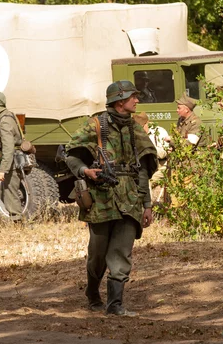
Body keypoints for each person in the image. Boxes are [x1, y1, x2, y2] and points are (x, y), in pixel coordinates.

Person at [65, 80, 158, 316]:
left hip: (130, 199)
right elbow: (71, 155)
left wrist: (147, 205)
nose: (137, 100)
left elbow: (144, 170)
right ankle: (93, 293)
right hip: (101, 198)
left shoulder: (136, 129)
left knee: (121, 252)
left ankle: (115, 304)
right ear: (119, 101)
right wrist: (85, 171)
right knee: (98, 254)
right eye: (132, 97)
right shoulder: (96, 125)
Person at [0, 91, 23, 219]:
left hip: (12, 160)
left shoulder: (4, 121)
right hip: (16, 157)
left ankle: (16, 220)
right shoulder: (9, 116)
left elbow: (8, 147)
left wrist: (3, 169)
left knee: (10, 190)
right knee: (10, 189)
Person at [133, 112, 169, 194]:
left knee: (148, 182)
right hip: (144, 166)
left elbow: (163, 153)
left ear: (147, 124)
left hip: (161, 166)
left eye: (141, 127)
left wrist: (149, 148)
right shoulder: (136, 133)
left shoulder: (159, 132)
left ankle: (149, 204)